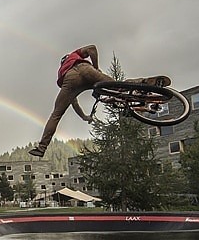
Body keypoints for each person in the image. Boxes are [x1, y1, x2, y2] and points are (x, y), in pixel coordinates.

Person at [28, 44, 169, 157]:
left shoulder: (62, 70)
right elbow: (92, 48)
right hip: (86, 70)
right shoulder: (75, 55)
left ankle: (42, 147)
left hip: (69, 80)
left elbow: (74, 103)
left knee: (56, 114)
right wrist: (96, 68)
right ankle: (145, 82)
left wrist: (85, 117)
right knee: (119, 86)